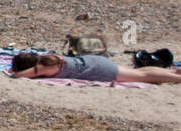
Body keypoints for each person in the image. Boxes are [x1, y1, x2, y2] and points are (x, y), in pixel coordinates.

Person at [10, 51, 181, 84]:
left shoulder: (43, 66)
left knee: (143, 77)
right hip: (94, 62)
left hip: (100, 70)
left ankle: (177, 77)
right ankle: (173, 72)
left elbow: (19, 77)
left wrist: (15, 73)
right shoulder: (47, 57)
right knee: (138, 72)